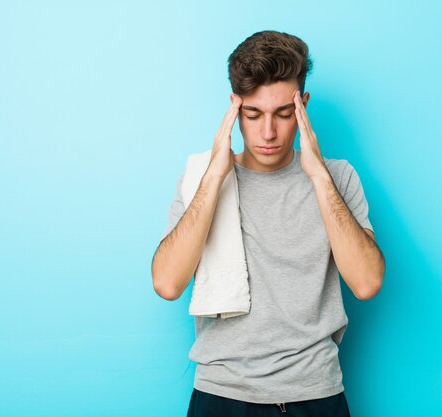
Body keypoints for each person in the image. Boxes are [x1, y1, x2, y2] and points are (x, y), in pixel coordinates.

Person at [151, 30, 385, 417]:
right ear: (234, 107)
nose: (268, 133)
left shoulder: (338, 178)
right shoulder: (200, 177)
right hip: (221, 394)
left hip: (317, 392)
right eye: (252, 114)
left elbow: (366, 283)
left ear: (303, 106)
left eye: (284, 113)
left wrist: (318, 176)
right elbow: (167, 283)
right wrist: (214, 177)